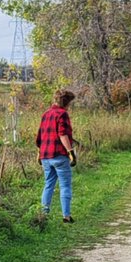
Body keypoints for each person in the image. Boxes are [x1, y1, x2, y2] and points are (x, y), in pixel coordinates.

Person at [36, 89, 77, 223]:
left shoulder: (45, 114)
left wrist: (39, 154)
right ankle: (66, 216)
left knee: (48, 184)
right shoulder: (62, 114)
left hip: (45, 155)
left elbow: (40, 137)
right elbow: (62, 134)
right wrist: (71, 152)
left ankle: (44, 214)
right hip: (59, 154)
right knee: (65, 185)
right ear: (66, 102)